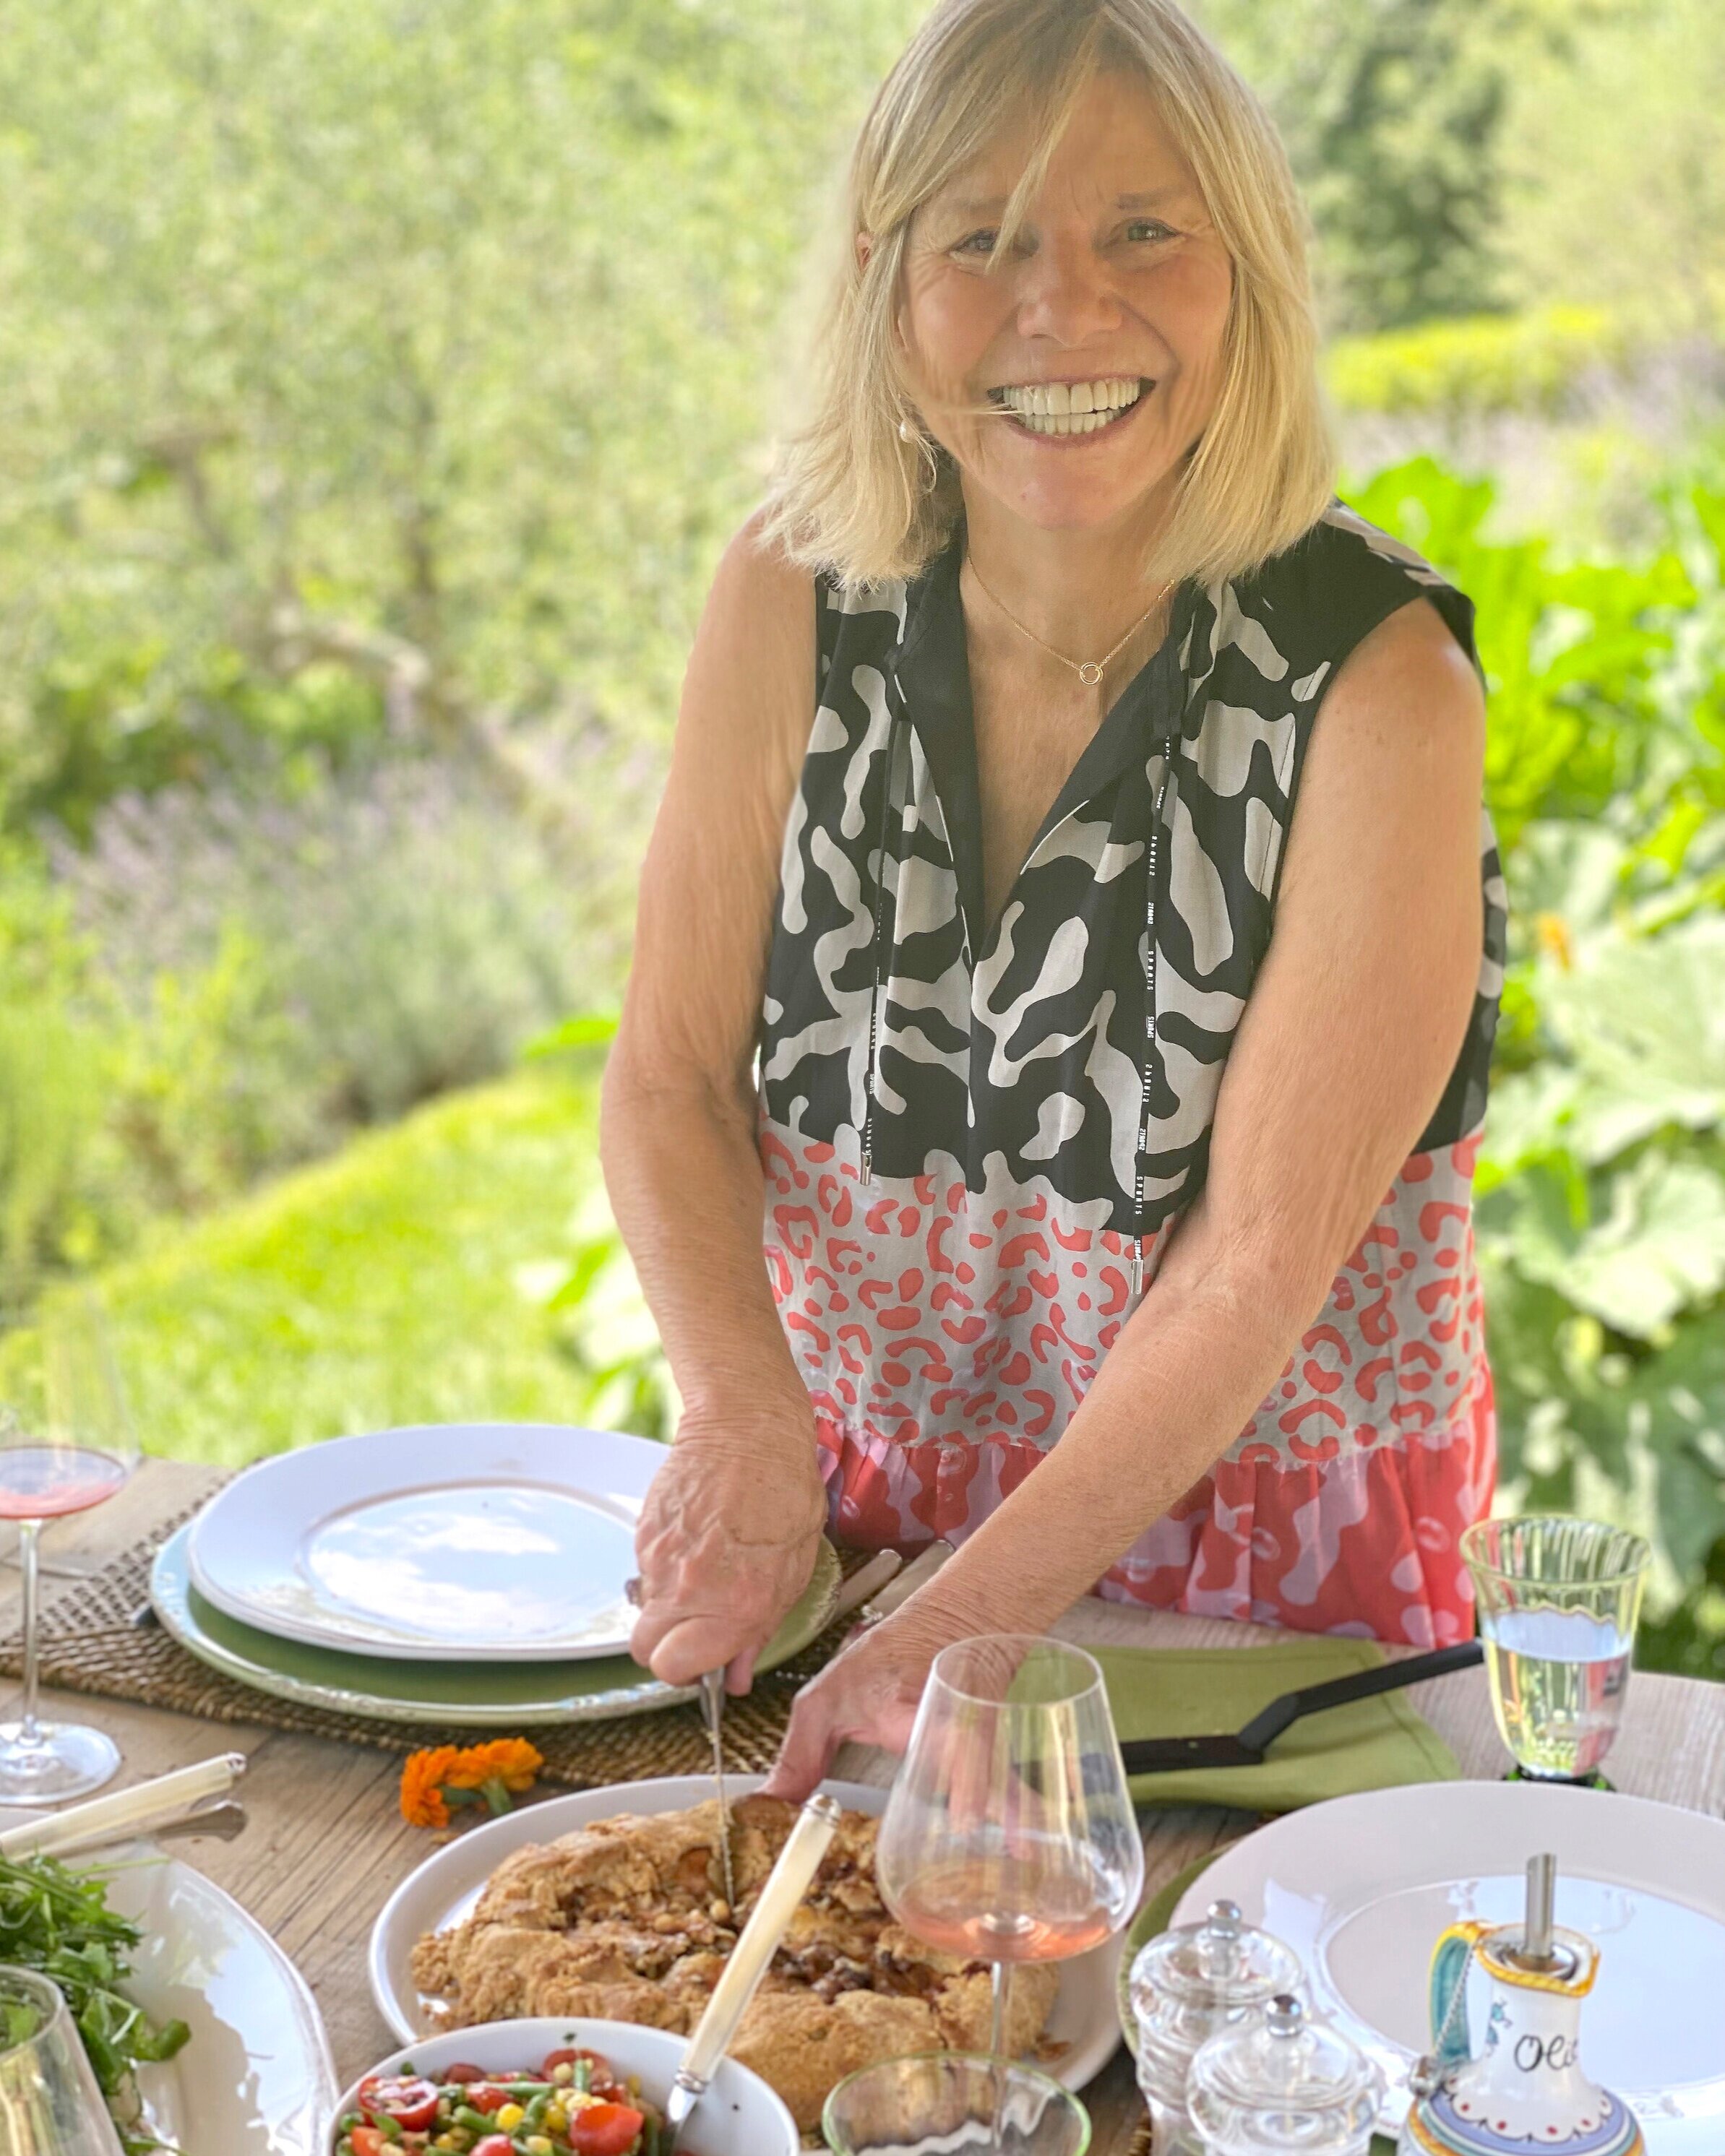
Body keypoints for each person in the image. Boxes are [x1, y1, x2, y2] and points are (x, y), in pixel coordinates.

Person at [602, 0, 1501, 1798]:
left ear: (1248, 270)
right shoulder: (789, 589)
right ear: (883, 278)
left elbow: (1251, 1265)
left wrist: (972, 1618)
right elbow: (671, 1079)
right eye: (983, 238)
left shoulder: (1381, 682)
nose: (1062, 307)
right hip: (864, 1543)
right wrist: (741, 1418)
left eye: (1143, 230)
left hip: (1254, 1597)